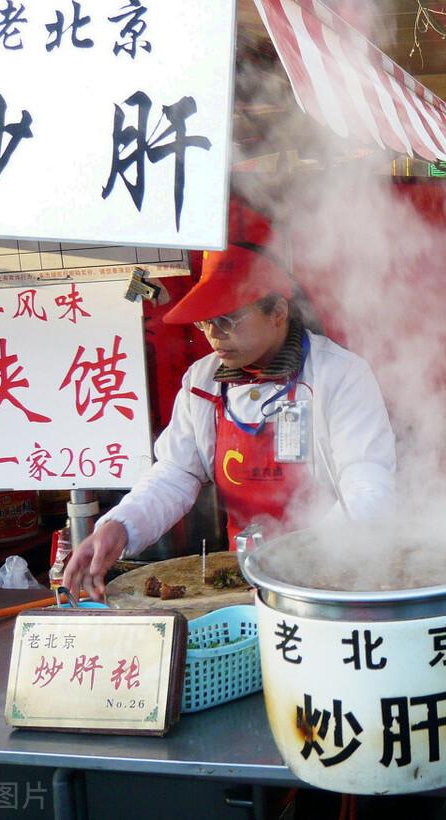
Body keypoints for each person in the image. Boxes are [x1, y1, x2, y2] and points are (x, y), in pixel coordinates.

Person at [64, 200, 396, 598]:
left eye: (229, 319)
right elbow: (177, 472)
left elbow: (368, 483)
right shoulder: (202, 381)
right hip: (238, 579)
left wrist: (309, 559)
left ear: (277, 312)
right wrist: (120, 525)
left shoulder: (338, 375)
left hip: (329, 578)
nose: (214, 335)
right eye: (207, 322)